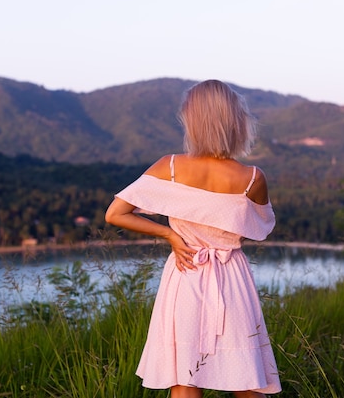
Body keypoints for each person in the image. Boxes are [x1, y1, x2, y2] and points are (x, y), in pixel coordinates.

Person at [105, 79, 281, 397]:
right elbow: (261, 229)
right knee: (247, 375)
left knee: (184, 378)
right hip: (232, 276)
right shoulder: (253, 178)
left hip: (186, 271)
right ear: (236, 121)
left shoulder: (170, 167)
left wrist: (170, 234)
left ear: (193, 121)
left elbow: (115, 213)